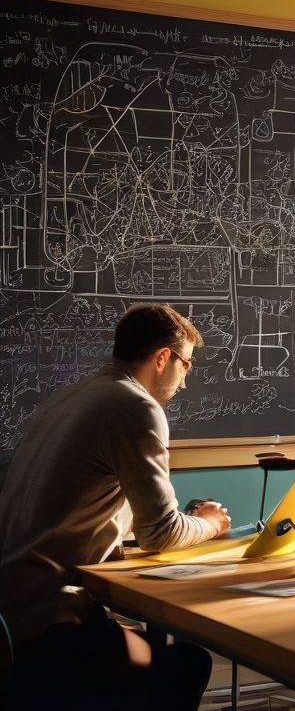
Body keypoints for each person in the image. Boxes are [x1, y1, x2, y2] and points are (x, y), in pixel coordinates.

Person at [0, 304, 231, 710]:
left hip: (10, 618)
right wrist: (209, 523)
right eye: (187, 365)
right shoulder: (135, 407)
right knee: (186, 662)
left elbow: (76, 509)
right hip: (47, 628)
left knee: (143, 643)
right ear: (163, 357)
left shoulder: (68, 399)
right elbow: (161, 533)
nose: (185, 380)